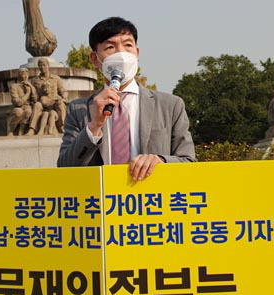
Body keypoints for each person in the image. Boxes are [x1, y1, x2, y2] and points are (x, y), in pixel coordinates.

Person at [57, 17, 195, 180]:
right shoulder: (78, 109)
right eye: (110, 47)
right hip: (102, 194)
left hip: (153, 193)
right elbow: (65, 167)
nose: (121, 54)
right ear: (94, 58)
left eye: (128, 45)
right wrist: (94, 126)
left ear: (137, 53)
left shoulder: (170, 106)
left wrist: (161, 160)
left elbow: (188, 161)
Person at [32, 57, 68, 135]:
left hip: (54, 102)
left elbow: (62, 90)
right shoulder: (35, 80)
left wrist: (64, 97)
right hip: (42, 103)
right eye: (40, 65)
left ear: (48, 65)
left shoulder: (56, 78)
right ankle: (32, 129)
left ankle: (62, 126)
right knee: (37, 105)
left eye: (44, 65)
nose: (42, 67)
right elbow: (33, 94)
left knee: (60, 104)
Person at [8, 68, 41, 136]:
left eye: (26, 74)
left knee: (28, 111)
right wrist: (27, 93)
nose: (25, 76)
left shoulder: (30, 86)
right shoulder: (14, 86)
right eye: (22, 74)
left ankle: (21, 131)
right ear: (19, 75)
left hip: (28, 107)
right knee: (19, 112)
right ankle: (11, 130)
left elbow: (35, 100)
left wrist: (31, 88)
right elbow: (18, 103)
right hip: (17, 107)